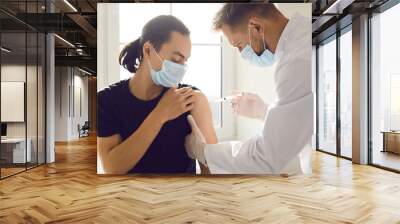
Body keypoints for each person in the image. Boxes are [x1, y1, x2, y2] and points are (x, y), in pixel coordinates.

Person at [185, 3, 313, 175]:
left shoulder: (295, 60)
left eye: (238, 45)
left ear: (256, 27)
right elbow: (302, 126)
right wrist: (264, 111)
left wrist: (203, 151)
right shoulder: (303, 38)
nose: (241, 53)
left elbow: (267, 156)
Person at [97, 15, 217, 174]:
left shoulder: (191, 99)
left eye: (184, 61)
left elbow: (214, 172)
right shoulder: (107, 100)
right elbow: (112, 168)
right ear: (148, 50)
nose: (181, 68)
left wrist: (204, 155)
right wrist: (160, 114)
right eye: (176, 59)